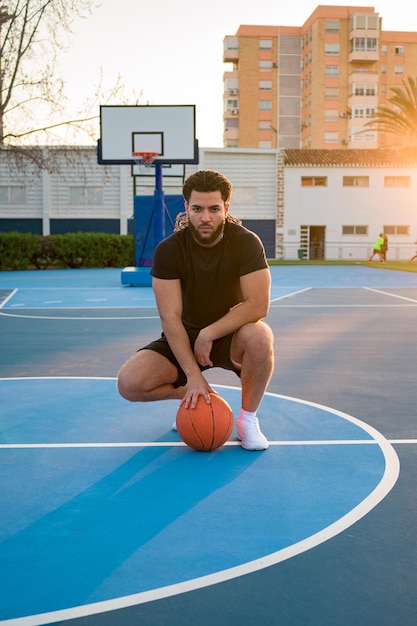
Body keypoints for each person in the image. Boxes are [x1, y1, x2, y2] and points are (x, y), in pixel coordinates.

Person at [117, 169, 274, 451]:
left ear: (226, 207)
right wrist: (193, 376)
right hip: (183, 336)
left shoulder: (246, 243)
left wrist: (210, 332)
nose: (205, 218)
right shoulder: (169, 251)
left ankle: (247, 419)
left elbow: (258, 305)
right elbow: (170, 319)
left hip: (230, 335)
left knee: (260, 337)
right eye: (198, 209)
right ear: (186, 206)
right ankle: (196, 397)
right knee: (129, 384)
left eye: (214, 209)